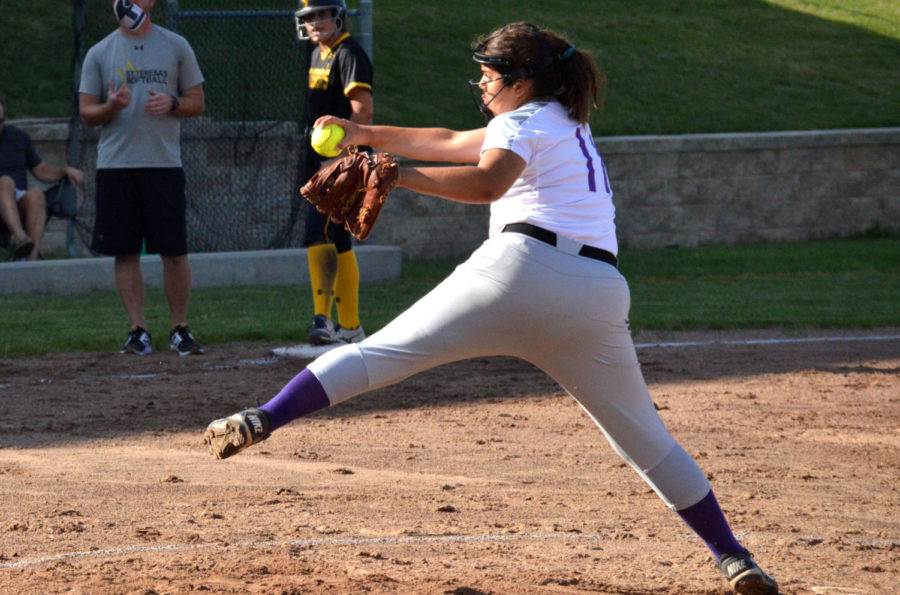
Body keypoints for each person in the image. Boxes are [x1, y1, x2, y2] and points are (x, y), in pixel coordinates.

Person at [203, 23, 778, 595]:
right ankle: (732, 556)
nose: (481, 86)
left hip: (516, 269)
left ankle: (264, 418)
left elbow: (487, 182)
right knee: (647, 442)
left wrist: (398, 175)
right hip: (596, 293)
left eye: (490, 76)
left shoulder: (521, 120)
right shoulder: (564, 120)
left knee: (380, 354)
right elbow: (451, 138)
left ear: (522, 81)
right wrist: (363, 132)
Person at [78, 0, 206, 356]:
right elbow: (86, 112)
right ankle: (139, 331)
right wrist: (111, 107)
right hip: (116, 167)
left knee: (174, 252)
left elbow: (197, 100)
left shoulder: (175, 45)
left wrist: (173, 103)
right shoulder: (100, 52)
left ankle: (179, 328)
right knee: (125, 252)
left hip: (163, 165)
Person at [295, 0, 373, 345]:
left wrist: (344, 157)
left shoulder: (349, 53)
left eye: (321, 14)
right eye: (308, 17)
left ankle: (322, 320)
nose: (315, 22)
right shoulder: (318, 54)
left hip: (341, 161)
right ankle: (351, 327)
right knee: (338, 240)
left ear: (337, 15)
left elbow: (363, 112)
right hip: (321, 160)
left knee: (317, 233)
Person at [0, 99, 84, 261]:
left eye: (1, 120)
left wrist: (65, 170)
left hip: (17, 203)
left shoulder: (18, 137)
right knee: (5, 182)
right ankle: (20, 238)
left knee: (36, 195)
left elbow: (42, 171)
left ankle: (30, 262)